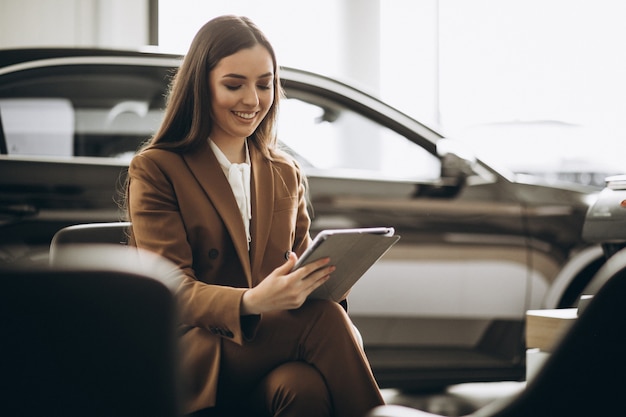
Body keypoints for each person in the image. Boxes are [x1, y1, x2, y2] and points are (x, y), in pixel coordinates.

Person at [125, 15, 385, 417]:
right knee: (325, 323)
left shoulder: (284, 172)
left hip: (271, 350)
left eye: (264, 84)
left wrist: (327, 279)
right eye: (234, 85)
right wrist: (251, 301)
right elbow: (171, 290)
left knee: (302, 387)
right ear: (201, 85)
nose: (252, 99)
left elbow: (302, 265)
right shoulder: (158, 169)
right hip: (198, 355)